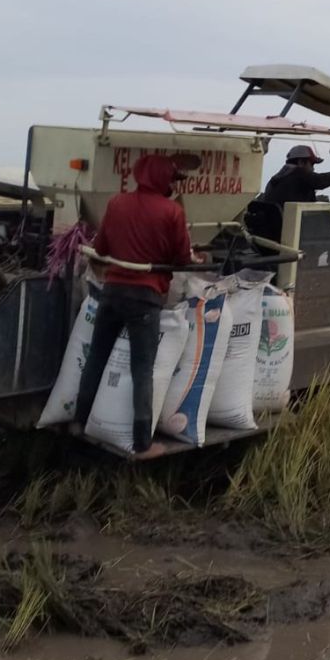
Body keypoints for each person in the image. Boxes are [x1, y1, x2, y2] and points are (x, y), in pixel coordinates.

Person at [73, 153, 200, 459]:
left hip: (113, 292)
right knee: (143, 369)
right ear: (161, 179)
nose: (173, 185)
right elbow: (182, 260)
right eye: (171, 179)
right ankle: (142, 442)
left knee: (97, 358)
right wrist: (191, 258)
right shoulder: (172, 212)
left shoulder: (117, 203)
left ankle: (80, 421)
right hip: (145, 297)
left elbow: (101, 248)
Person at [259, 145, 330, 210]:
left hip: (273, 233)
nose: (313, 169)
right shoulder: (299, 174)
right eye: (311, 164)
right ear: (301, 162)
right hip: (293, 234)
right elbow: (322, 180)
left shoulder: (276, 179)